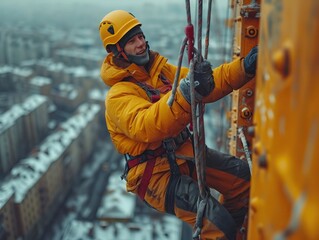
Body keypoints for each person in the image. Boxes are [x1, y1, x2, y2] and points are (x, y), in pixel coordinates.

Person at [99, 10, 257, 240]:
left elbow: (207, 84)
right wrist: (186, 92)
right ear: (117, 51)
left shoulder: (160, 73)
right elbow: (149, 125)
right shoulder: (118, 95)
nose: (141, 44)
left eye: (140, 36)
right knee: (217, 225)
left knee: (242, 180)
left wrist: (245, 68)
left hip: (184, 154)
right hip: (155, 175)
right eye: (132, 41)